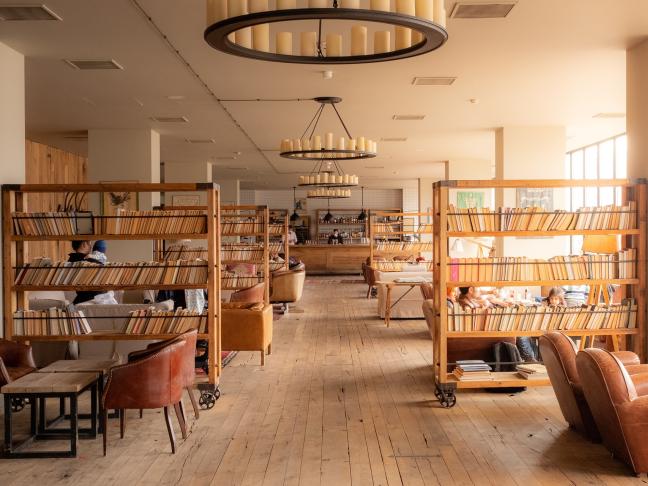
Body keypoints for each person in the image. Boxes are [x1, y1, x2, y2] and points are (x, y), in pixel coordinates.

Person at [68, 240, 104, 304]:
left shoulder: (70, 261)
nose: (91, 247)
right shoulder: (89, 262)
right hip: (91, 299)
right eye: (90, 243)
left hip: (83, 298)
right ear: (84, 244)